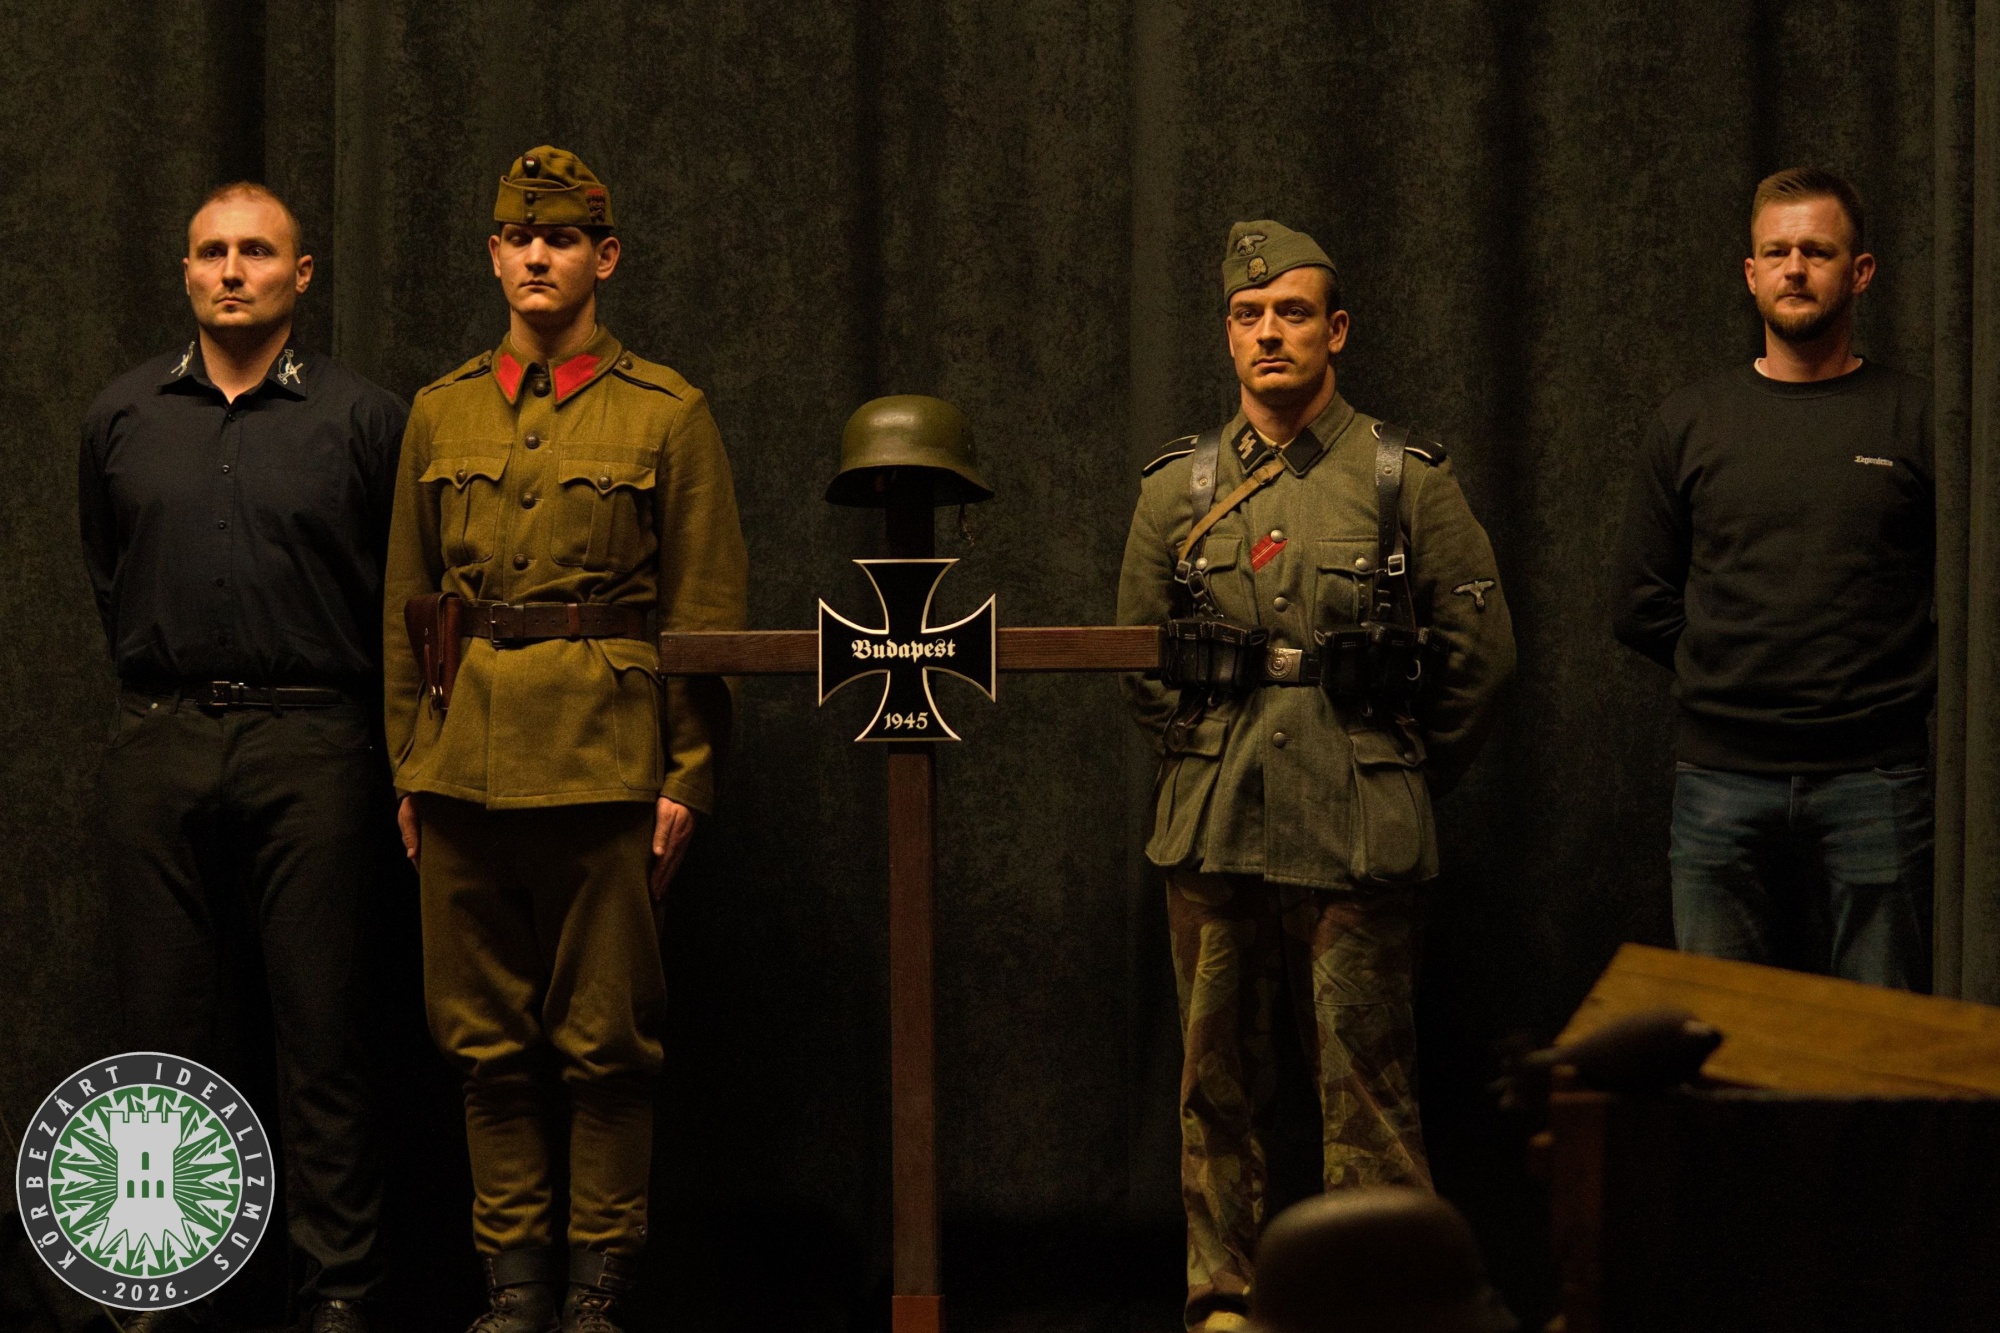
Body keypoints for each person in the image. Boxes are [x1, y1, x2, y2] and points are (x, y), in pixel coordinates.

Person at [1117, 220, 1515, 1333]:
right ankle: (1221, 1299)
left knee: (1369, 1097)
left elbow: (1480, 658)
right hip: (1214, 822)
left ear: (1334, 330)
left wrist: (1393, 767)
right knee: (1213, 1089)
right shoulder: (1178, 487)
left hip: (1356, 828)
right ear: (1225, 334)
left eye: (1291, 312)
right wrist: (1199, 753)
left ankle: (1386, 1310)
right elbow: (1140, 659)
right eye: (1247, 315)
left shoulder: (1401, 480)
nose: (1268, 333)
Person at [380, 146, 747, 1333]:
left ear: (605, 256)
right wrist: (409, 767)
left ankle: (595, 1290)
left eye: (562, 238)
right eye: (518, 237)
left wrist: (687, 774)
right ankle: (513, 1288)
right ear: (494, 254)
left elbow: (705, 614)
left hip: (604, 762)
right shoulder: (438, 411)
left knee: (607, 1047)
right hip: (462, 768)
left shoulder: (665, 412)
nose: (538, 255)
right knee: (482, 1048)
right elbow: (408, 607)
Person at [79, 182, 401, 1333]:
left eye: (256, 252)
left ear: (299, 275)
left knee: (324, 1032)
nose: (231, 270)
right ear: (184, 270)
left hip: (316, 741)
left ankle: (338, 1295)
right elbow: (110, 573)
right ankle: (157, 1290)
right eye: (211, 251)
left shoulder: (366, 420)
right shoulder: (122, 415)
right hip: (158, 736)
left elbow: (401, 596)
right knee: (160, 1033)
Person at [1613, 167, 1934, 990]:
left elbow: (1960, 598)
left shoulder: (1920, 418)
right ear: (1750, 272)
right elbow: (1640, 603)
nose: (1796, 268)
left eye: (1817, 251)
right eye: (1778, 252)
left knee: (1883, 1036)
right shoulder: (1690, 422)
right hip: (1720, 780)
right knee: (1722, 1035)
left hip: (1877, 779)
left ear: (1860, 272)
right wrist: (1732, 670)